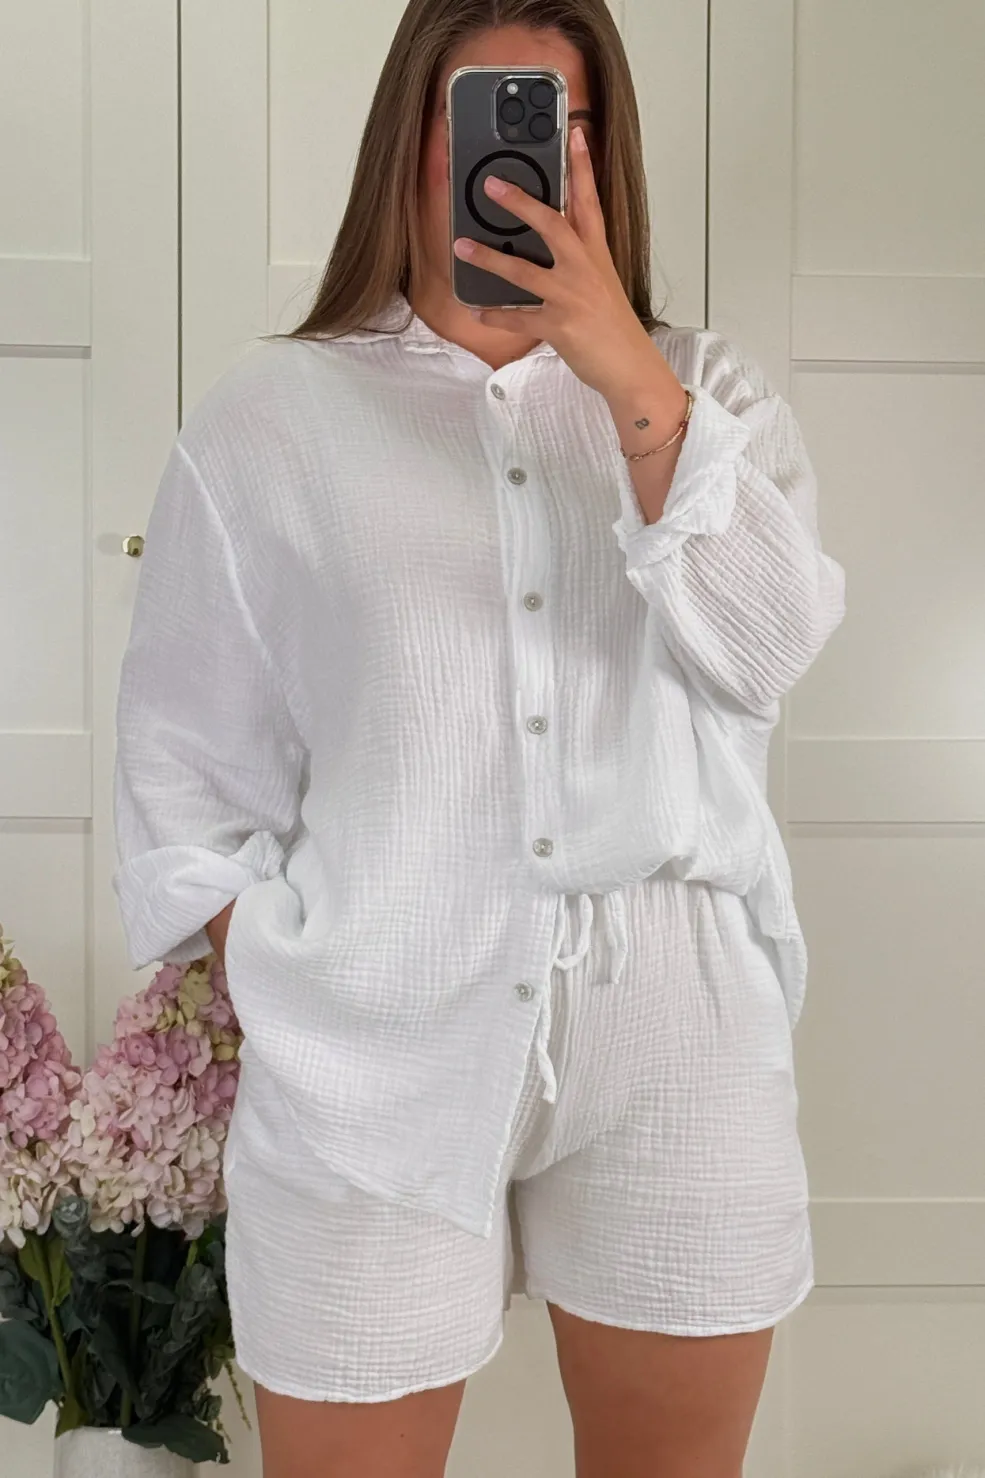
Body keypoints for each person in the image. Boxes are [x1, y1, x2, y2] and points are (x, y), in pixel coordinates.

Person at [111, 1, 846, 1474]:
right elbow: (183, 769)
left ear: (602, 155)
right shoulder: (272, 419)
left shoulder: (709, 397)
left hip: (677, 1032)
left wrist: (629, 379)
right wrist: (298, 965)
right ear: (413, 139)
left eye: (558, 124)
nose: (518, 161)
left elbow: (768, 651)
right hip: (371, 1042)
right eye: (484, 116)